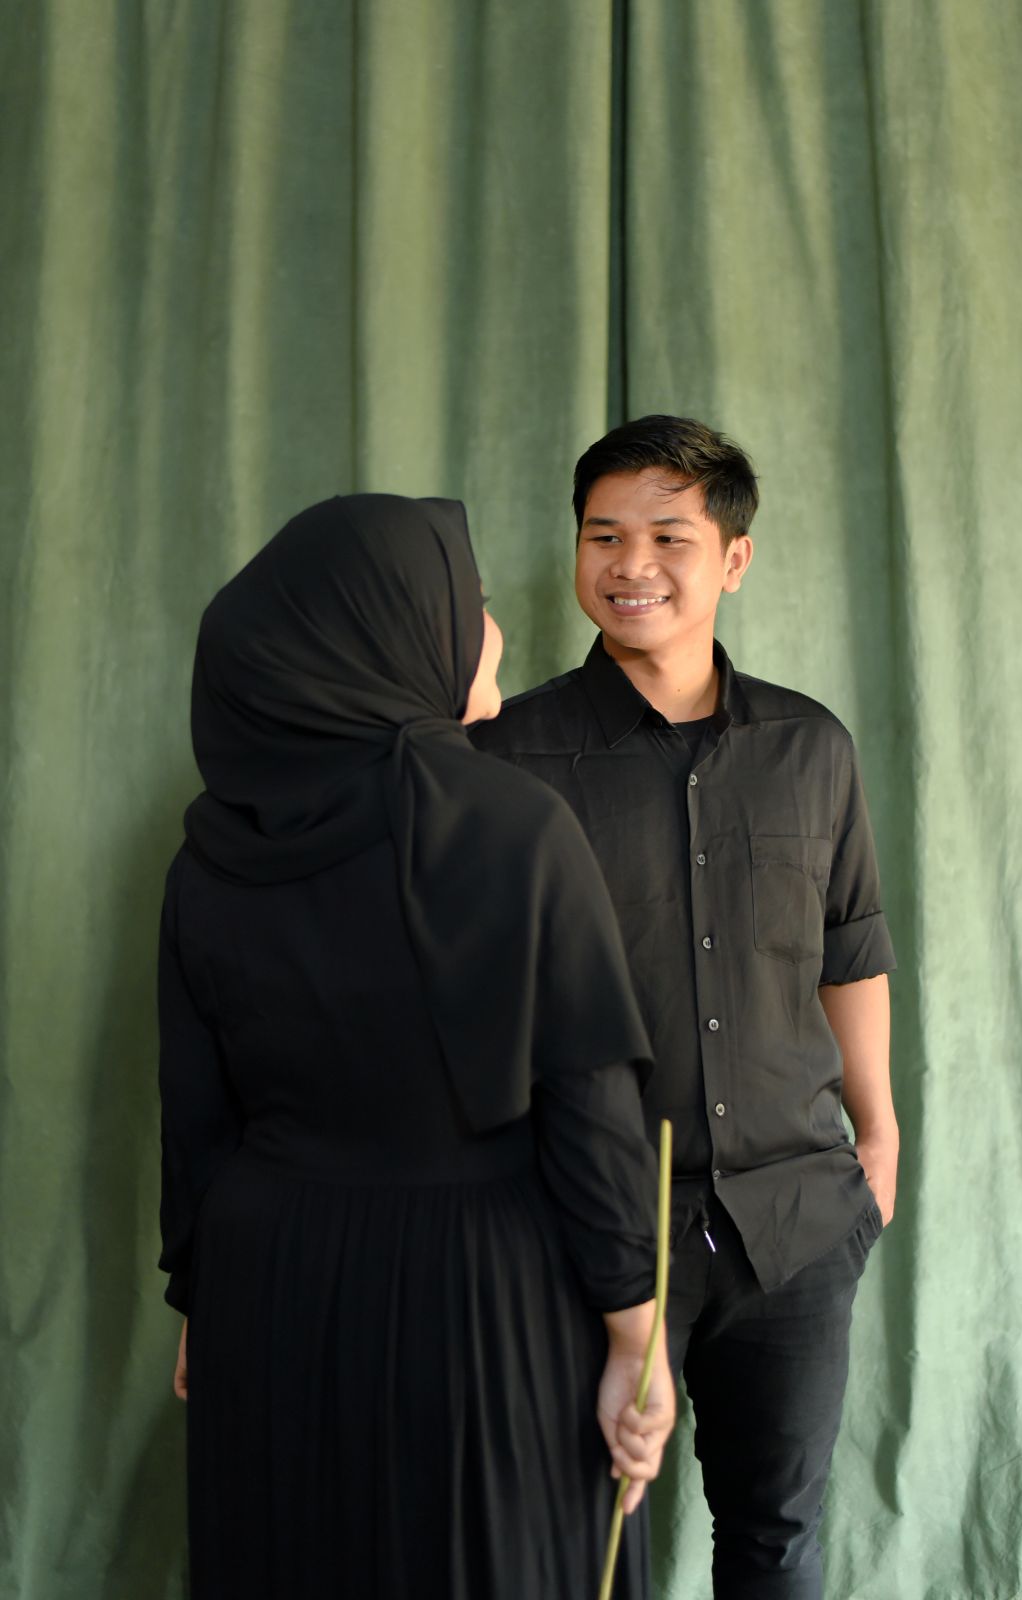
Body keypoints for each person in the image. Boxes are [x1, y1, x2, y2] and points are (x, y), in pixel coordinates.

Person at [157, 493, 675, 1600]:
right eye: (471, 604)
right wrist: (636, 1336)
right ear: (390, 633)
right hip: (475, 1298)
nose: (493, 631)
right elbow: (590, 1111)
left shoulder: (208, 858)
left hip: (266, 1285)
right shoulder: (515, 826)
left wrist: (204, 1297)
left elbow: (196, 1113)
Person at [471, 416, 899, 1599]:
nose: (632, 564)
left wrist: (877, 1139)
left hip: (794, 1223)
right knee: (584, 1538)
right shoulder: (508, 754)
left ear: (734, 558)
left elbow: (850, 943)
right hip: (586, 1227)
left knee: (778, 1538)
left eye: (668, 536)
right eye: (603, 535)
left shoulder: (811, 746)